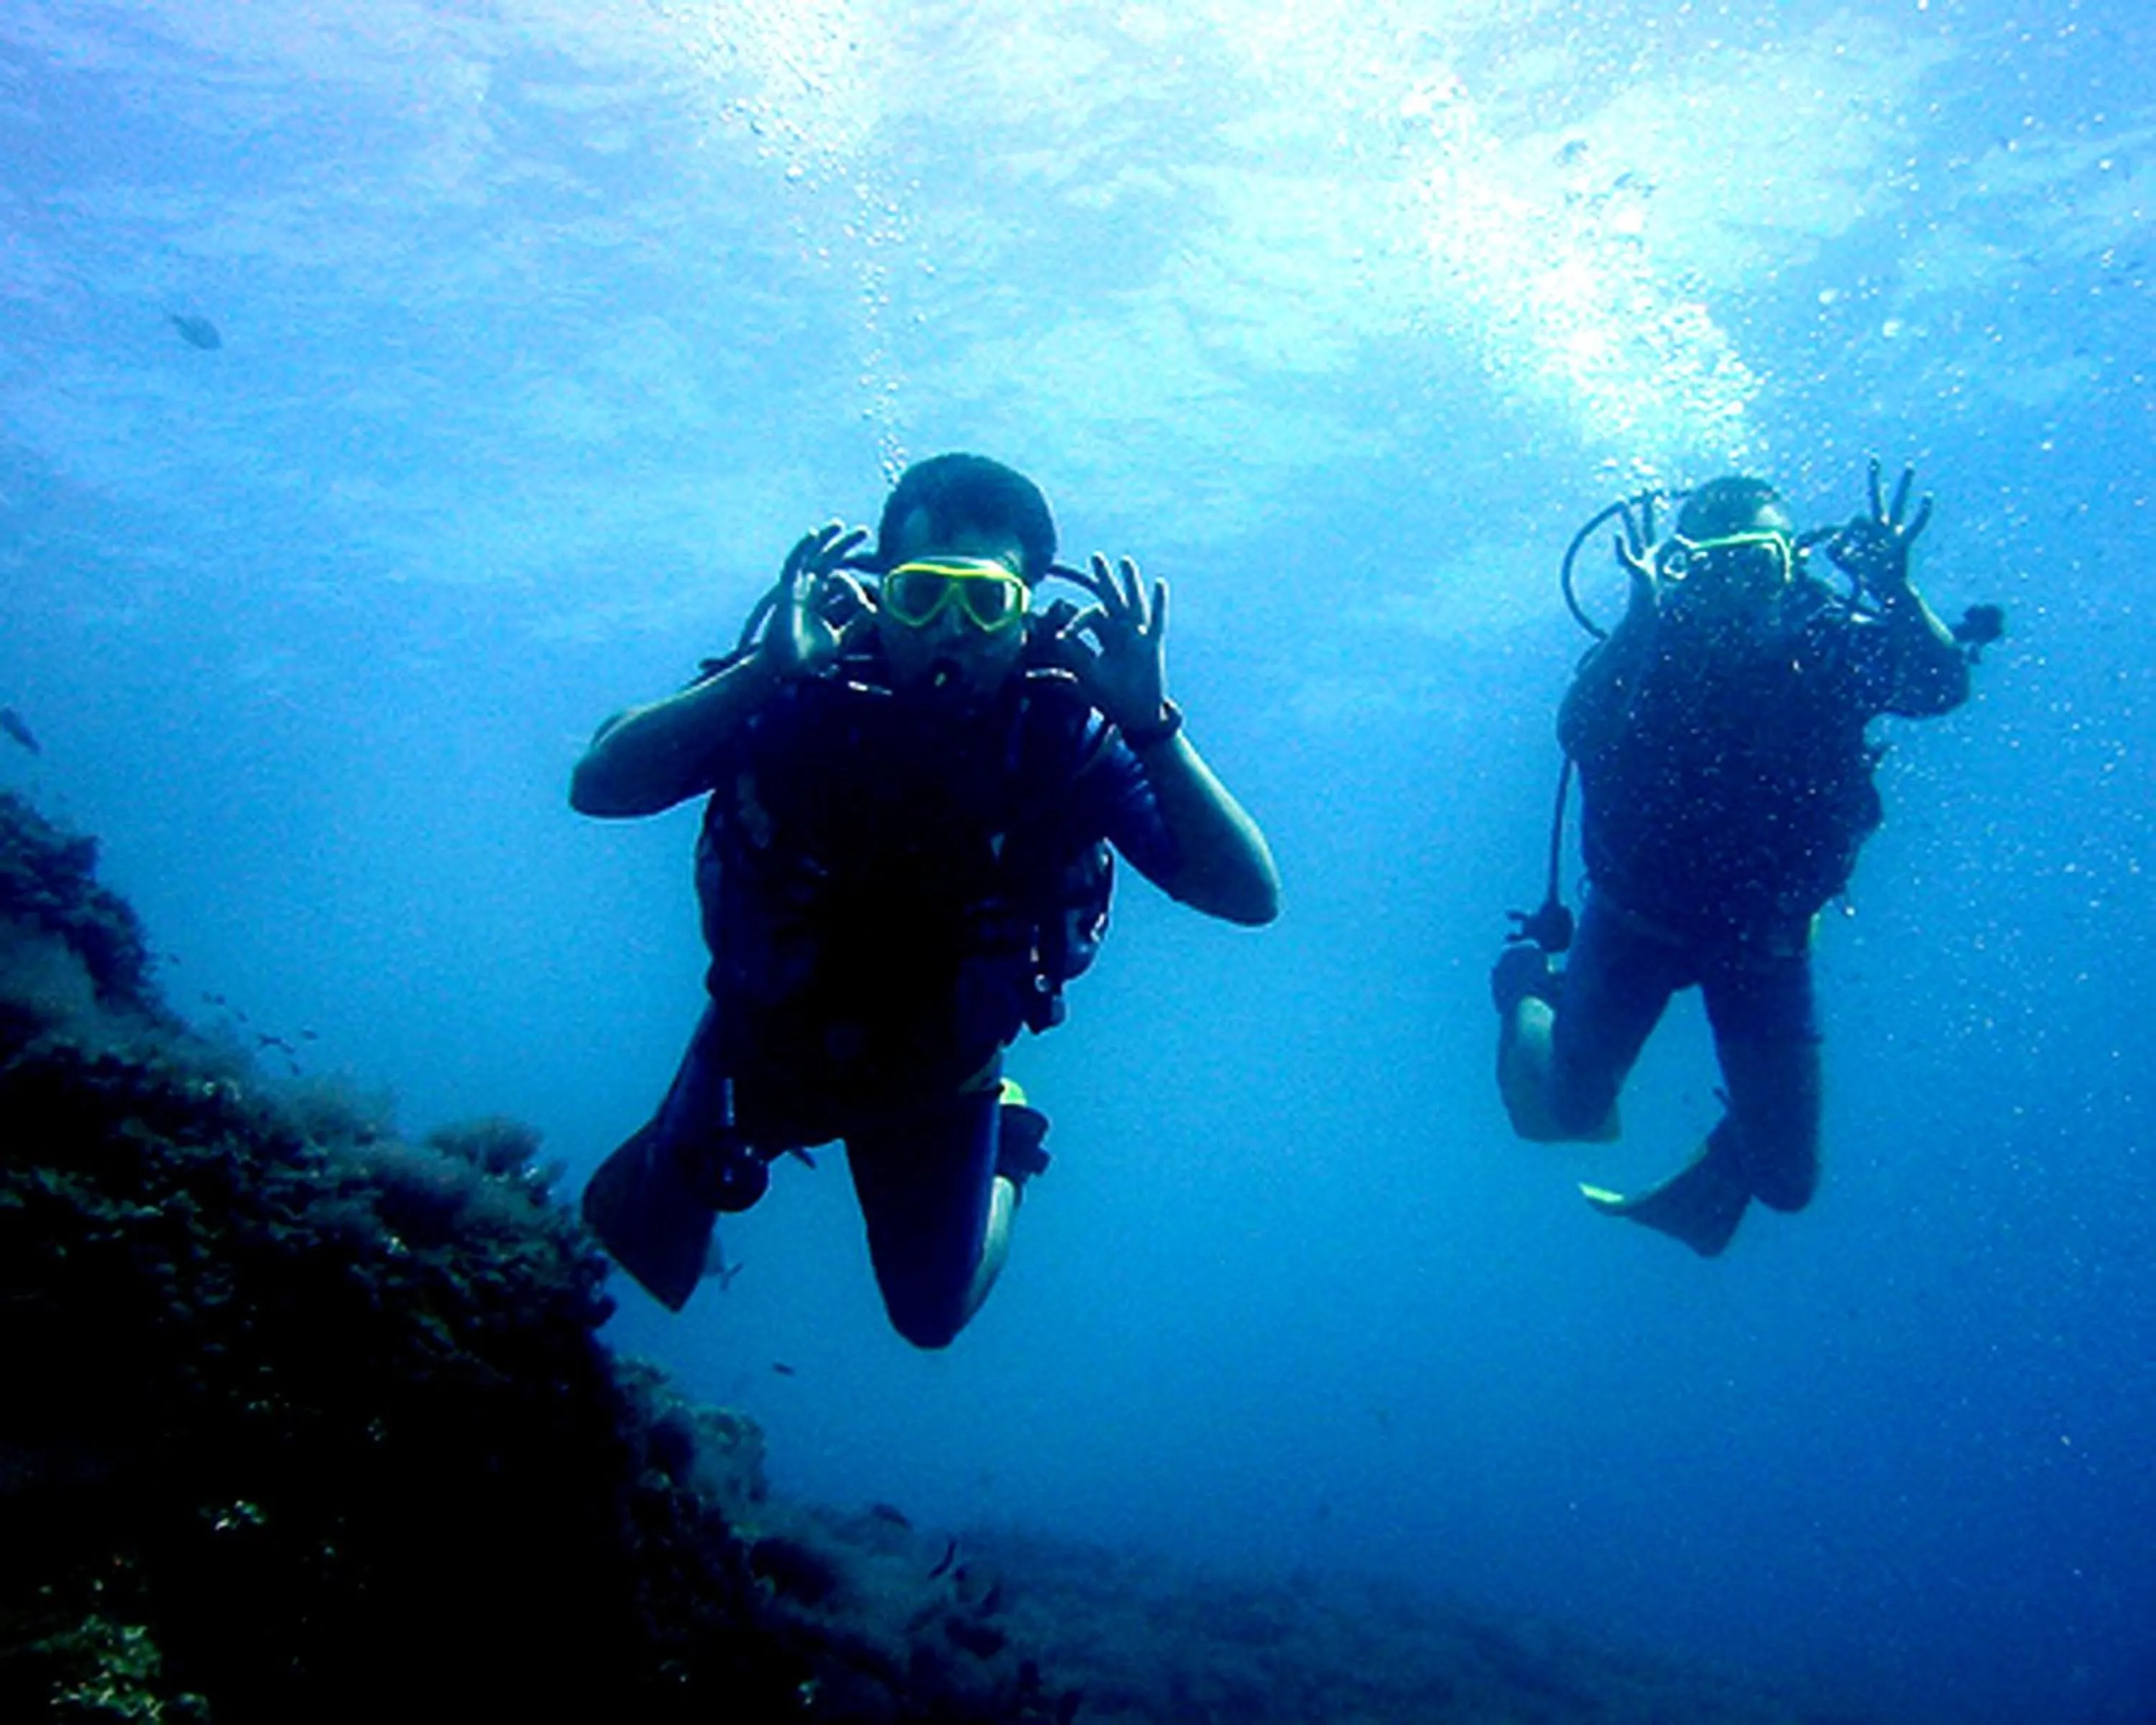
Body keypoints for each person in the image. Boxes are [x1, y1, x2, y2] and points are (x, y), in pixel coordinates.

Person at [573, 453, 1279, 1345]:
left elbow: (1251, 896)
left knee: (930, 1319)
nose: (953, 631)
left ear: (1029, 614)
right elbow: (597, 786)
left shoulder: (1062, 736)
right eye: (921, 596)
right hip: (761, 1038)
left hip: (938, 1077)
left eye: (986, 602)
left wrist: (1151, 726)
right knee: (641, 1241)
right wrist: (758, 673)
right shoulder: (800, 687)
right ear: (877, 596)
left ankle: (1008, 1151)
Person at [1492, 461, 1978, 1256]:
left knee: (1788, 1187)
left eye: (1764, 563)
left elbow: (1937, 687)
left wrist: (1897, 592)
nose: (1740, 589)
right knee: (1571, 1115)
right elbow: (1579, 730)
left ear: (1795, 562)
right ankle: (1525, 991)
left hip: (1767, 940)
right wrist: (1641, 614)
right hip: (1634, 926)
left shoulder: (1827, 644)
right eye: (1717, 565)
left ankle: (1736, 1144)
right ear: (1682, 568)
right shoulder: (1650, 643)